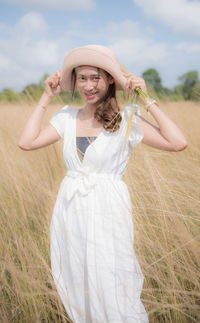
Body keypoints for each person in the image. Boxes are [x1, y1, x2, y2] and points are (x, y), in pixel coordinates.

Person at [18, 45, 188, 322]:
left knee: (113, 279)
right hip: (70, 212)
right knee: (78, 281)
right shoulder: (66, 118)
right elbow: (26, 142)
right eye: (82, 78)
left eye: (95, 77)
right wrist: (46, 97)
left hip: (109, 211)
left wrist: (146, 98)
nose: (88, 85)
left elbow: (178, 142)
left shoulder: (127, 119)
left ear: (110, 79)